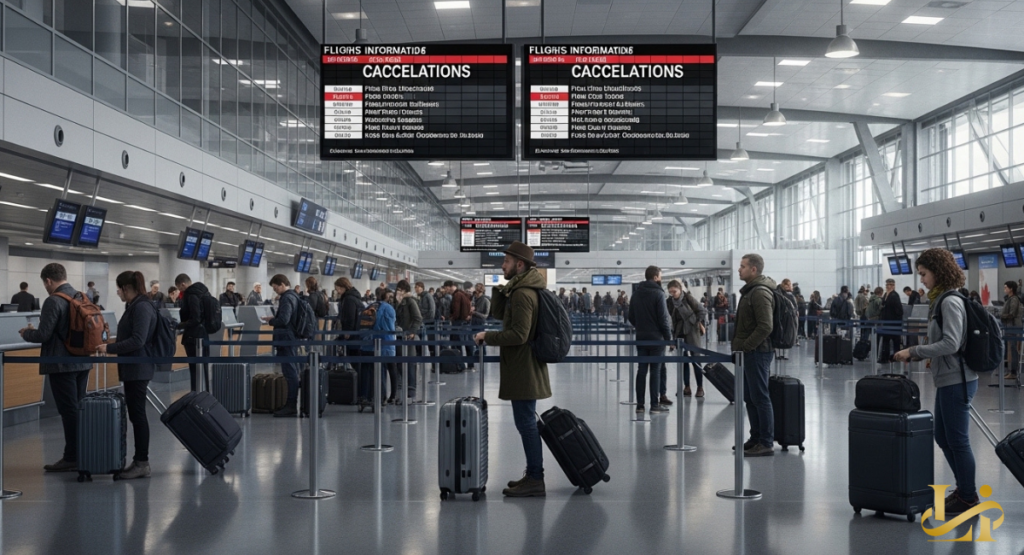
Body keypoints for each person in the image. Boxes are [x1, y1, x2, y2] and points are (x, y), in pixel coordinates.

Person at [892, 248, 979, 517]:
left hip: (957, 380)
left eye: (924, 274)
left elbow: (951, 343)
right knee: (943, 437)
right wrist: (929, 355)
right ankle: (964, 490)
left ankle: (968, 495)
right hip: (948, 378)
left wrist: (915, 351)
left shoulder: (949, 302)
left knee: (958, 440)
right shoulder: (939, 299)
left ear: (937, 272)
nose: (922, 280)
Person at [473, 242, 551, 497]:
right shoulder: (519, 290)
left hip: (523, 367)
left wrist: (488, 336)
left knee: (526, 423)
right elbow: (501, 316)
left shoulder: (523, 294)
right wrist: (502, 289)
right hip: (523, 366)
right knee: (525, 421)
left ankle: (535, 478)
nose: (502, 265)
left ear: (520, 264)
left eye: (506, 261)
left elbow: (518, 334)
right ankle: (532, 474)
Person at [19, 263, 94, 472]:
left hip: (61, 363)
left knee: (68, 411)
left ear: (48, 281)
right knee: (77, 407)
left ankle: (72, 457)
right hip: (82, 361)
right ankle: (82, 452)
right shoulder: (80, 296)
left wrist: (26, 332)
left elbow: (44, 335)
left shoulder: (53, 300)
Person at [96, 271, 157, 479]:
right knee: (136, 414)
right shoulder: (136, 305)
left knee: (138, 415)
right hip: (133, 368)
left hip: (138, 368)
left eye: (118, 289)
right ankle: (140, 460)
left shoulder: (141, 307)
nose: (118, 293)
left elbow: (138, 340)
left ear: (125, 288)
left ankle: (142, 462)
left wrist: (109, 348)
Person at [733, 253, 776, 457]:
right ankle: (756, 437)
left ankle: (766, 441)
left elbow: (766, 326)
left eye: (742, 266)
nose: (739, 269)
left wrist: (747, 346)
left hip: (758, 352)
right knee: (750, 397)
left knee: (760, 396)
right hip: (749, 353)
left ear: (753, 269)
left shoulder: (759, 293)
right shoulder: (749, 291)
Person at [628, 266, 672, 415]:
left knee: (641, 370)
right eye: (660, 276)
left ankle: (640, 405)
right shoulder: (659, 294)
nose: (661, 278)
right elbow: (663, 319)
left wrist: (640, 327)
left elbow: (630, 316)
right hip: (656, 339)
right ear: (655, 277)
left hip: (641, 337)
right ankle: (654, 405)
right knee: (655, 371)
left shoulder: (636, 294)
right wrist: (668, 338)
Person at [262, 275, 301, 417]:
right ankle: (290, 403)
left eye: (276, 287)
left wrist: (272, 322)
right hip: (290, 338)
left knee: (290, 373)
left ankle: (291, 405)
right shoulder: (294, 296)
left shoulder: (287, 298)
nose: (275, 290)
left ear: (283, 284)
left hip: (286, 339)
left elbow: (284, 320)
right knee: (292, 371)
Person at [666, 280, 706, 399]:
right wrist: (672, 338)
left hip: (692, 332)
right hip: (679, 333)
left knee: (696, 360)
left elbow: (702, 311)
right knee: (683, 361)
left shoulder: (688, 298)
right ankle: (686, 386)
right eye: (670, 292)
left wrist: (695, 322)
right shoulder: (669, 302)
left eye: (675, 291)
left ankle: (700, 387)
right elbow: (671, 319)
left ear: (680, 290)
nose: (673, 294)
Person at [358, 288, 397, 407]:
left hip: (367, 345)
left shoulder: (371, 305)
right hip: (384, 345)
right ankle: (381, 396)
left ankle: (364, 396)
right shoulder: (389, 308)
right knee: (381, 371)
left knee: (366, 371)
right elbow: (390, 326)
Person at [175, 274, 211, 392]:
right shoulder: (204, 292)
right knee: (204, 367)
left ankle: (196, 398)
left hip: (193, 337)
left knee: (194, 369)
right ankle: (206, 395)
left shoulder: (191, 295)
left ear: (183, 284)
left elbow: (195, 318)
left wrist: (180, 325)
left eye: (180, 288)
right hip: (204, 334)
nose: (180, 291)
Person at [394, 280, 423, 399]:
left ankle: (411, 388)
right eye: (398, 289)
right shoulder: (396, 302)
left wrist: (412, 331)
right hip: (398, 335)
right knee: (400, 363)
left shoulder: (410, 301)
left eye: (401, 290)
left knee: (410, 363)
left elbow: (417, 318)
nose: (399, 292)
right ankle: (401, 385)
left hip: (408, 336)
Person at [1001, 281, 1022, 380]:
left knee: (1013, 349)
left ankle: (1013, 372)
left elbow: (1012, 314)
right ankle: (1011, 370)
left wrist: (1001, 316)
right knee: (1011, 349)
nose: (1004, 289)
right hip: (1010, 326)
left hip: (1013, 327)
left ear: (1011, 289)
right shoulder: (1009, 299)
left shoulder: (1014, 299)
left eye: (1006, 287)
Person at [450, 280, 474, 368]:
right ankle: (470, 364)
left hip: (458, 323)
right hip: (466, 322)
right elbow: (470, 309)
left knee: (457, 344)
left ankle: (460, 365)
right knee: (468, 344)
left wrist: (452, 318)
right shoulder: (467, 296)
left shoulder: (457, 295)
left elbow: (456, 310)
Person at [879, 278, 904, 364]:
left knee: (895, 341)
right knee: (886, 341)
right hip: (886, 322)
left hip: (893, 323)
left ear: (893, 286)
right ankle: (885, 357)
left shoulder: (894, 295)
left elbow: (899, 310)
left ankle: (896, 357)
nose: (888, 286)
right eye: (887, 285)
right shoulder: (886, 294)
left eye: (890, 285)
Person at [416, 281, 436, 359]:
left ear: (422, 287)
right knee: (420, 339)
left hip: (428, 322)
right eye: (415, 287)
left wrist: (429, 320)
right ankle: (420, 355)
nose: (416, 289)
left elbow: (432, 309)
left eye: (418, 287)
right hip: (421, 321)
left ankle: (433, 358)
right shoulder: (419, 297)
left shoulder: (428, 296)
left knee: (431, 341)